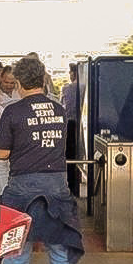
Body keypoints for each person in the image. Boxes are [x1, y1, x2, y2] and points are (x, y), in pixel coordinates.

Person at [0, 56, 82, 264]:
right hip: (56, 186)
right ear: (43, 79)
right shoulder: (58, 109)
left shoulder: (13, 111)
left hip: (22, 188)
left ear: (18, 83)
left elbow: (1, 153)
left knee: (16, 248)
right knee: (60, 245)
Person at [61, 62, 81, 196]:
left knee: (71, 155)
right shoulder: (86, 87)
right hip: (84, 124)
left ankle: (71, 186)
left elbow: (64, 106)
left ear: (73, 73)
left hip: (70, 123)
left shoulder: (67, 89)